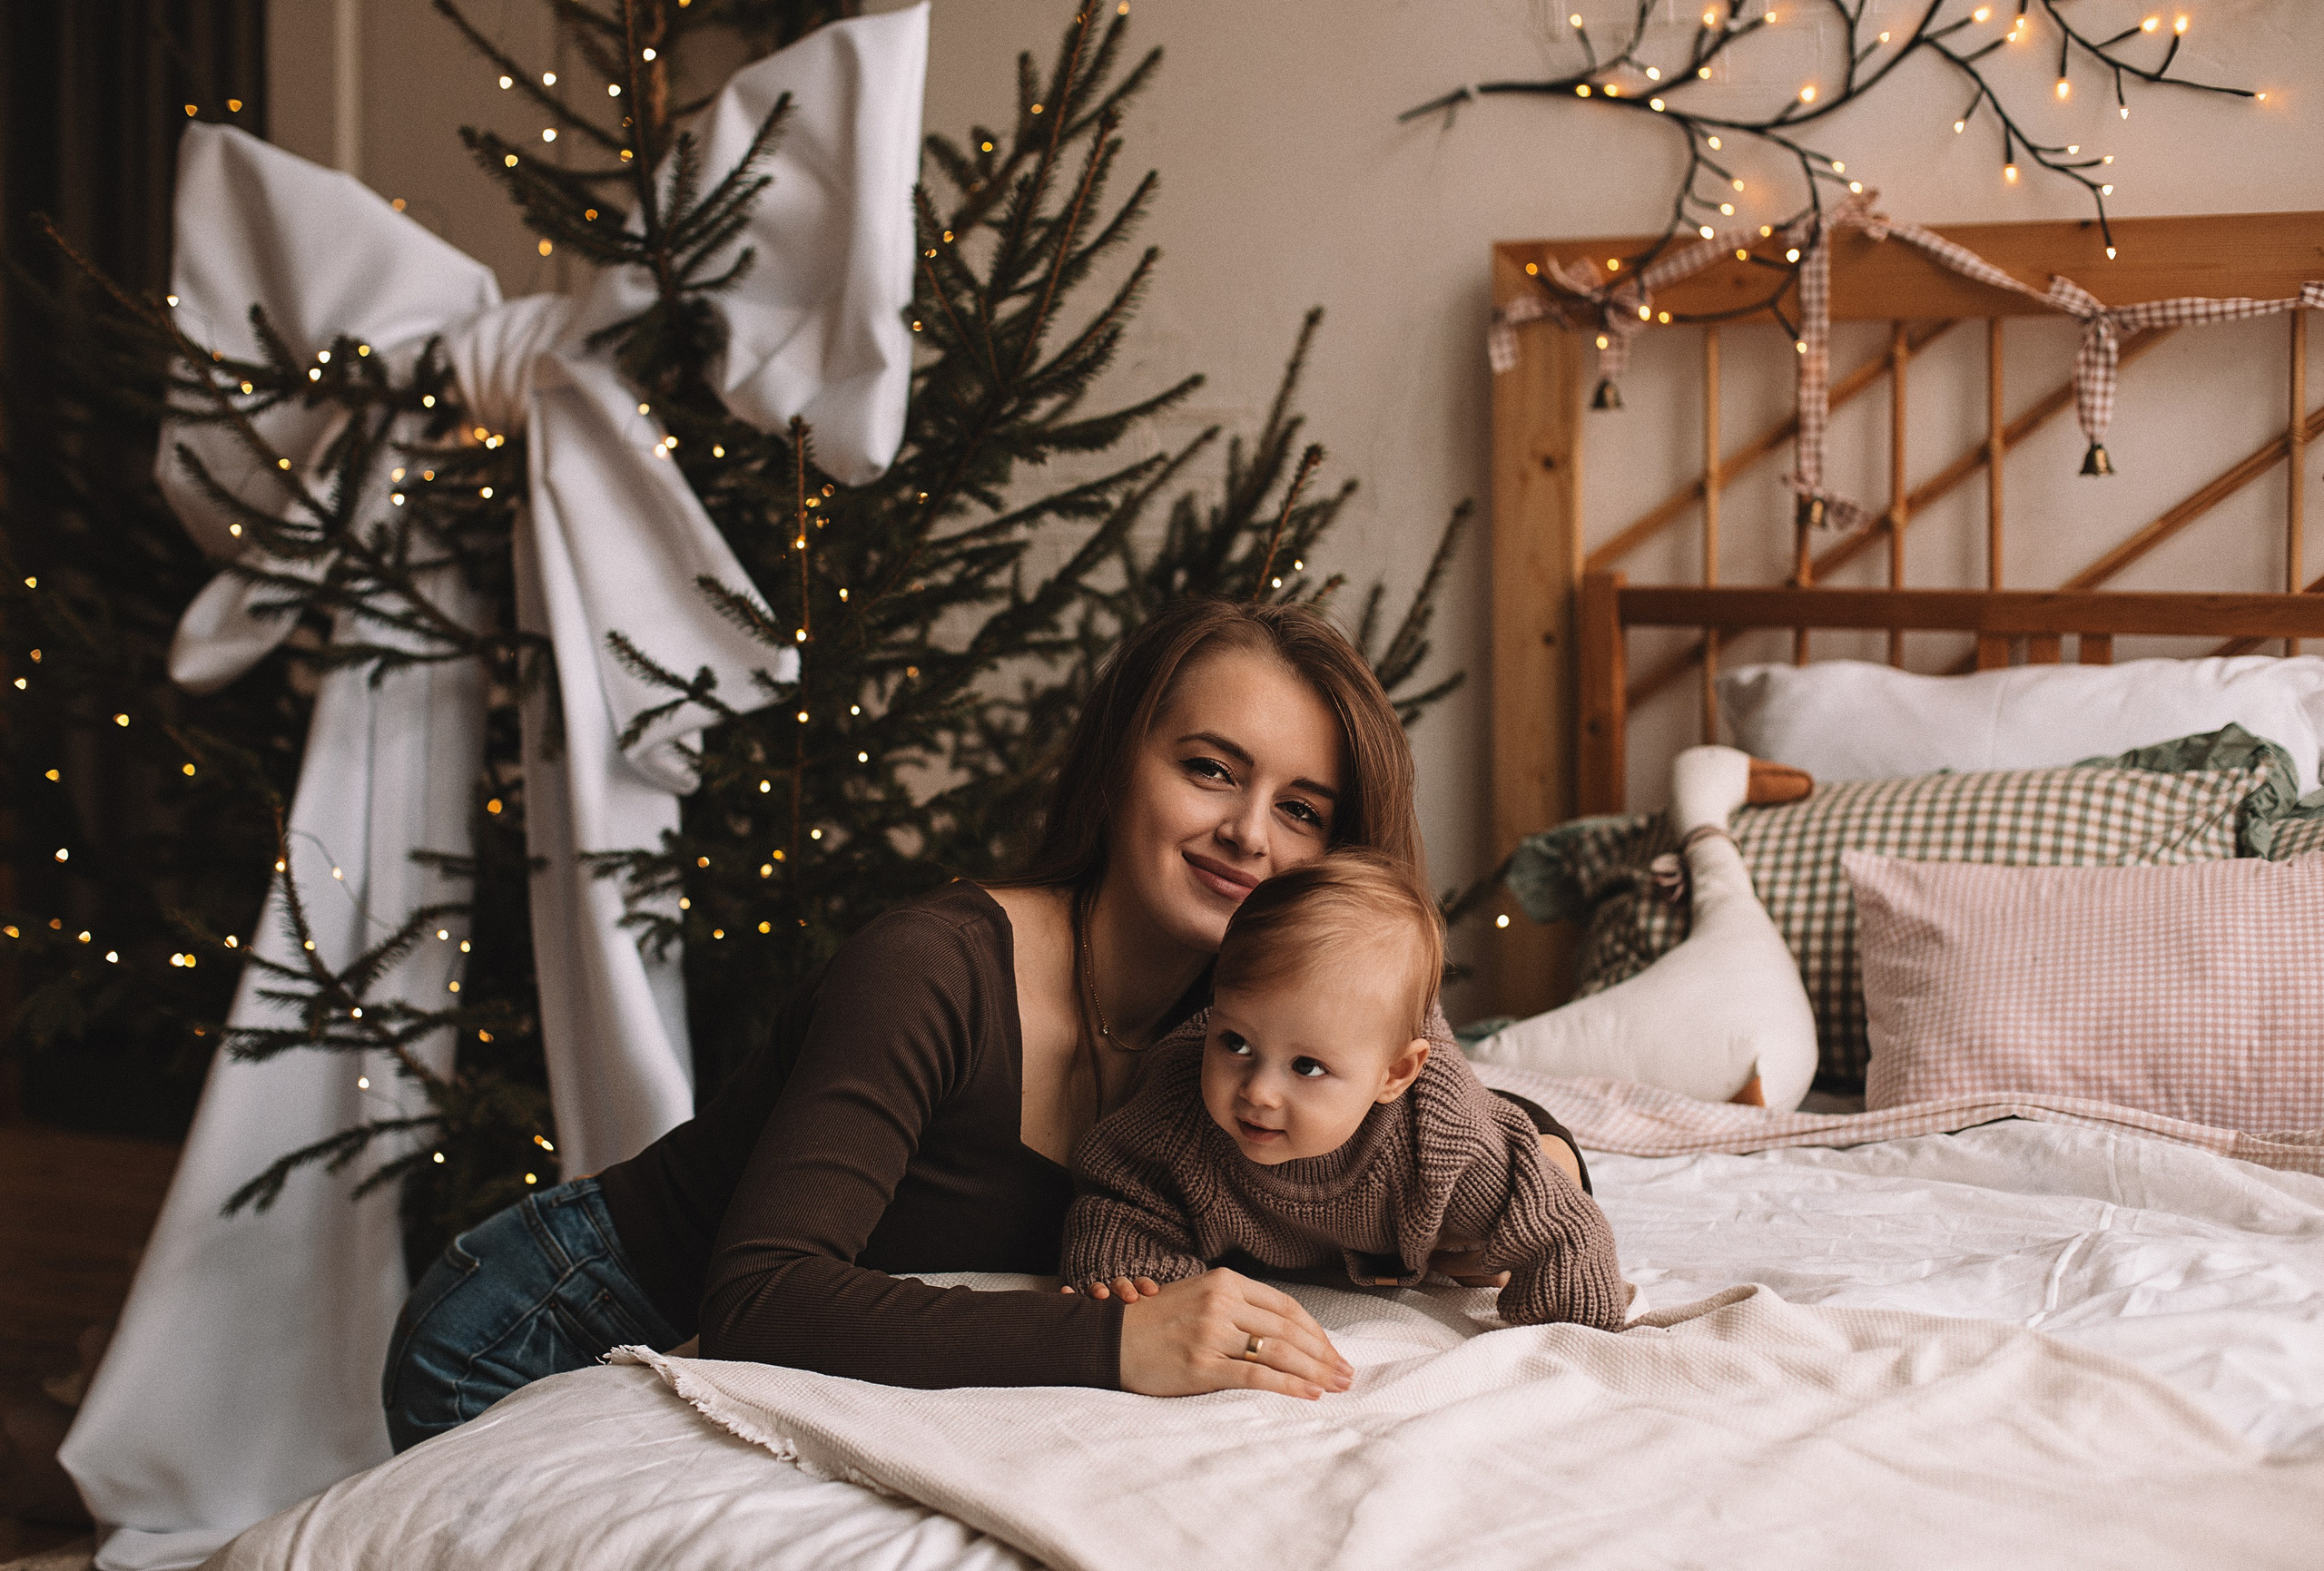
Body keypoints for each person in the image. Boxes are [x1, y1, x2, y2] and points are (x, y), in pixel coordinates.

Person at [382, 598, 1590, 1450]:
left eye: (1304, 807)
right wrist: (1117, 1340)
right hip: (544, 1312)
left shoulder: (1256, 1007)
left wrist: (1543, 1156)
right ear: (1124, 766)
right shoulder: (933, 967)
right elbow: (758, 1292)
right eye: (1212, 769)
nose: (1251, 836)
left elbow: (1437, 1102)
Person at [1059, 849, 1626, 1331]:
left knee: (1541, 1167)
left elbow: (1562, 1226)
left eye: (1306, 1067)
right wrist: (1130, 1274)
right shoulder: (1180, 1111)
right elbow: (1122, 1199)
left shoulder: (1443, 1141)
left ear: (1394, 1075)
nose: (1258, 1092)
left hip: (1479, 1144)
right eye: (1235, 1043)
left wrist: (1572, 1333)